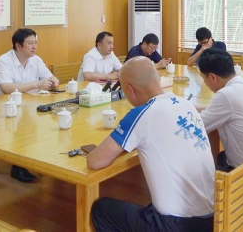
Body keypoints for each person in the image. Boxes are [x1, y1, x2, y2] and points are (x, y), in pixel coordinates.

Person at [87, 57, 215, 232]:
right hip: (212, 218)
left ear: (129, 89)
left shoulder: (141, 114)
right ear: (158, 79)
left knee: (102, 209)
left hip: (177, 225)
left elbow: (94, 161)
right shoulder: (186, 104)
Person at [0, 28, 59, 183]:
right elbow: (6, 88)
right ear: (18, 45)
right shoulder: (4, 61)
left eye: (36, 43)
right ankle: (18, 166)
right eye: (30, 43)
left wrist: (54, 81)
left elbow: (49, 77)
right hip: (4, 107)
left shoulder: (36, 60)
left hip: (29, 105)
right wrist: (37, 84)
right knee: (24, 127)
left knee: (47, 123)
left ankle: (42, 160)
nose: (34, 46)